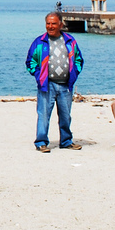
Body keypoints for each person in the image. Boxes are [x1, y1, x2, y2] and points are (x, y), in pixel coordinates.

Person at [25, 12, 84, 153]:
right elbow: (30, 61)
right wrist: (39, 75)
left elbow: (79, 59)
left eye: (54, 23)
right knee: (43, 115)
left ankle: (66, 141)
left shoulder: (70, 41)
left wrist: (74, 74)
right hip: (47, 85)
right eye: (48, 23)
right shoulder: (39, 42)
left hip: (66, 85)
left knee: (65, 115)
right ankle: (41, 142)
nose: (50, 26)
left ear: (61, 25)